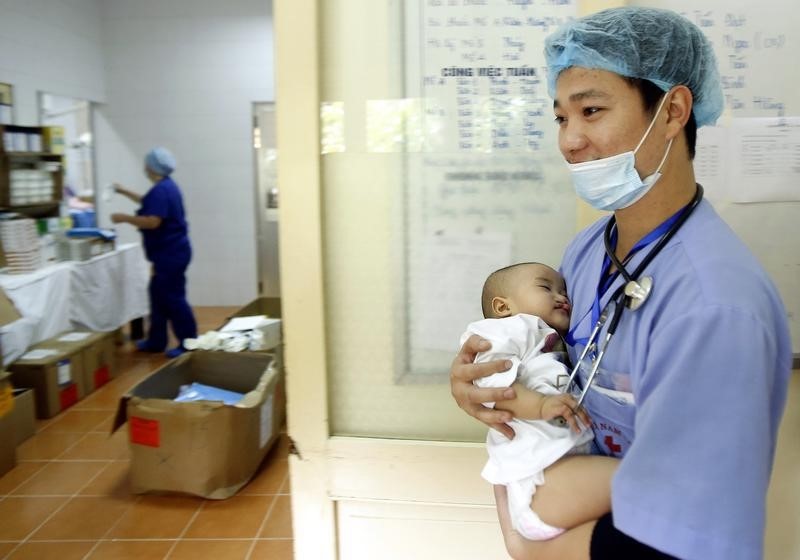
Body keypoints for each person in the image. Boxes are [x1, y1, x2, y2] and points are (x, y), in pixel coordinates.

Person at [450, 7, 792, 560]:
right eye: (561, 118)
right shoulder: (585, 254)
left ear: (674, 110)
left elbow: (688, 538)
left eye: (591, 110)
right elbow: (549, 366)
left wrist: (529, 547)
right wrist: (488, 382)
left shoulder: (714, 307)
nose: (570, 141)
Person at [462, 262, 617, 542]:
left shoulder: (547, 340)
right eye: (546, 288)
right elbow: (494, 387)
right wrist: (542, 406)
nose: (562, 297)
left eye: (564, 291)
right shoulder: (508, 329)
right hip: (543, 478)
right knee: (640, 484)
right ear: (502, 307)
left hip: (560, 471)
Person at [111, 146, 198, 359]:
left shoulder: (162, 190)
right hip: (168, 252)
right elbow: (147, 203)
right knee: (157, 296)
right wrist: (122, 190)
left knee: (174, 298)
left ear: (150, 166)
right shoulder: (166, 187)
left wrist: (124, 218)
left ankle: (189, 343)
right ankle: (156, 341)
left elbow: (152, 221)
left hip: (171, 254)